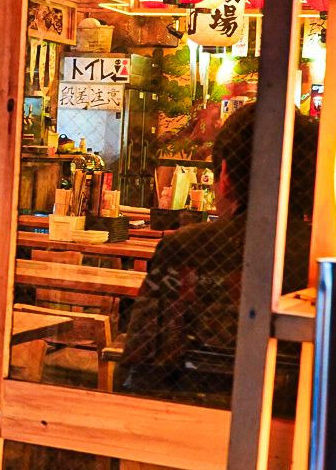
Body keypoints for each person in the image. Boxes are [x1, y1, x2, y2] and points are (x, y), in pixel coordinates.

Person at [116, 101, 316, 405]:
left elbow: (141, 367)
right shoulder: (327, 257)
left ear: (224, 177)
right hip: (301, 421)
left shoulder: (186, 248)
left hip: (187, 417)